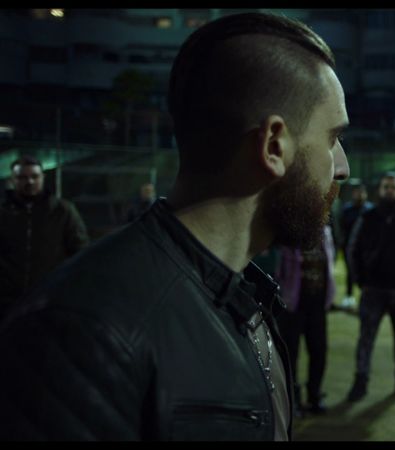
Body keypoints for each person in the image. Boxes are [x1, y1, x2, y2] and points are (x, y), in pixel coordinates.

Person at [0, 12, 349, 441]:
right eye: (333, 138)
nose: (343, 167)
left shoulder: (246, 298)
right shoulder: (81, 331)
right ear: (274, 145)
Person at [346, 172, 395, 402]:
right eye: (386, 187)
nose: (389, 191)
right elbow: (353, 249)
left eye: (393, 187)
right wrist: (361, 281)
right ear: (379, 190)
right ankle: (361, 381)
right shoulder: (368, 217)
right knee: (366, 339)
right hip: (374, 290)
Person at [0, 155, 89, 321]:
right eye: (22, 177)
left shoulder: (62, 211)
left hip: (49, 298)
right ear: (12, 180)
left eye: (34, 176)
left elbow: (80, 252)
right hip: (7, 300)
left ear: (42, 177)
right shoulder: (3, 212)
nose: (30, 182)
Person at [274, 224, 336, 418]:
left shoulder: (325, 235)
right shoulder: (290, 236)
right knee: (290, 355)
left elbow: (329, 266)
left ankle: (314, 396)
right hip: (293, 306)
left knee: (319, 352)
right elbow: (279, 271)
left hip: (317, 306)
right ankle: (293, 400)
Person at [337, 181, 373, 309]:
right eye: (358, 192)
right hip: (350, 247)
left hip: (366, 248)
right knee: (350, 271)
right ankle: (349, 295)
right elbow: (342, 227)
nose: (360, 195)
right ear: (354, 194)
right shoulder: (347, 209)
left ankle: (365, 296)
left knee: (367, 271)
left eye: (362, 192)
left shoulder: (370, 210)